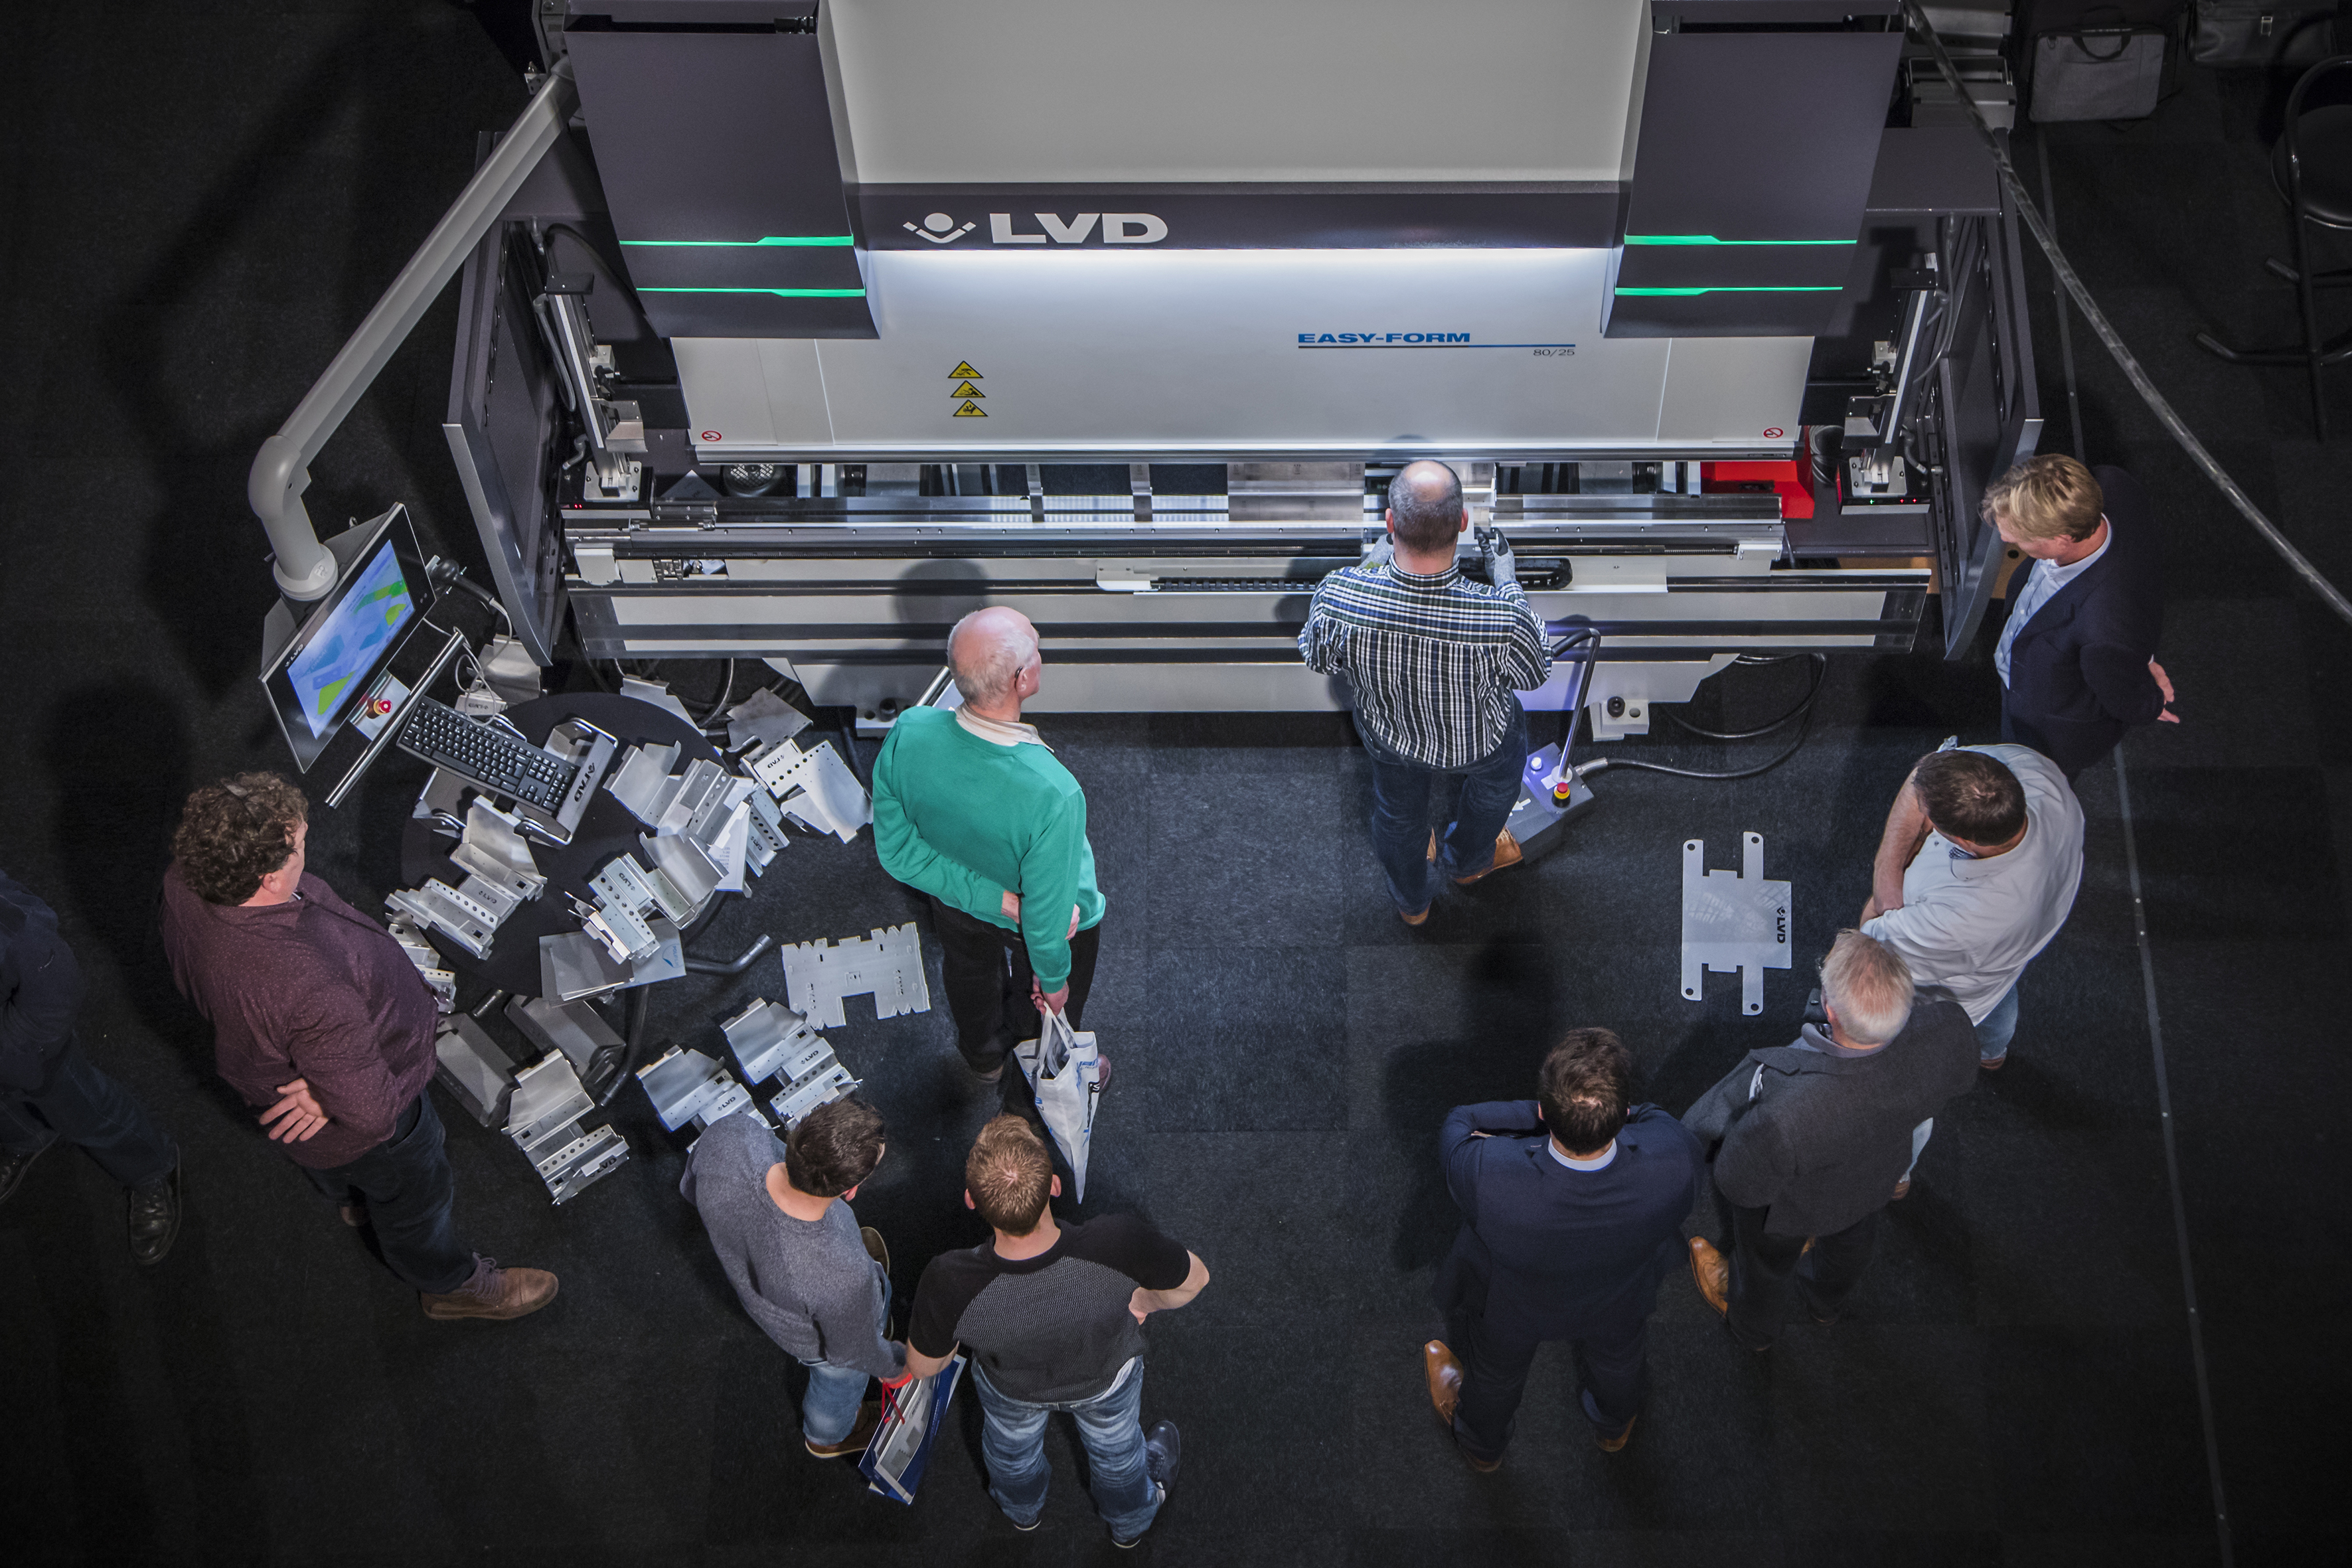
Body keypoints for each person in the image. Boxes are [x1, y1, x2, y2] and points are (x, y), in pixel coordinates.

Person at [158, 773, 556, 1321]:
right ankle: (451, 1287)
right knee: (416, 1200)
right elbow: (372, 1115)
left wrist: (326, 1085)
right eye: (300, 842)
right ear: (269, 878)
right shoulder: (309, 988)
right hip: (369, 1122)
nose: (307, 845)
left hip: (282, 1100)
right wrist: (334, 1092)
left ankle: (353, 1201)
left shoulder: (184, 879)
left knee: (335, 1162)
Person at [903, 1115, 1206, 1547]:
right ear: (1055, 1187)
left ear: (971, 1200)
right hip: (1105, 1379)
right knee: (1118, 1455)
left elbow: (924, 1366)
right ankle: (1130, 1526)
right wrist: (1143, 1301)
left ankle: (1022, 1513)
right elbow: (1195, 1280)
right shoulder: (1116, 1241)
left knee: (1011, 1456)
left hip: (1012, 1389)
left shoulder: (948, 1279)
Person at [1421, 1029, 1703, 1468]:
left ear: (1543, 1111)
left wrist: (1545, 1113)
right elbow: (1651, 1115)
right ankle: (1614, 1426)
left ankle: (1482, 1449)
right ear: (1621, 1112)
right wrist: (1594, 1112)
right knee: (1620, 1361)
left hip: (1514, 1307)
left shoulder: (1486, 1174)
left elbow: (1460, 1121)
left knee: (1495, 1377)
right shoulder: (1675, 1157)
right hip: (1618, 1295)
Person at [1682, 931, 1978, 1350]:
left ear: (1830, 1010)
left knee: (1764, 1265)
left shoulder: (1784, 1113)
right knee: (1852, 1239)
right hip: (1877, 1178)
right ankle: (1826, 1304)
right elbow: (1961, 1080)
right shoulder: (1949, 1030)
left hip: (1795, 1208)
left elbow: (1737, 1183)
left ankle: (1754, 1331)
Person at [1298, 459, 1550, 925]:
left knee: (1397, 816)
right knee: (1495, 790)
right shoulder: (1501, 618)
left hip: (1391, 738)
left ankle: (1413, 904)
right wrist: (1507, 581)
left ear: (1390, 523)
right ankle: (1468, 863)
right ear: (1462, 522)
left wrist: (1370, 565)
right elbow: (1534, 672)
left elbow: (1318, 658)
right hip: (1481, 741)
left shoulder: (1338, 597)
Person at [871, 607, 1106, 1085]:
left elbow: (897, 853)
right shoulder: (1053, 793)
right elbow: (1048, 918)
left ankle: (983, 1060)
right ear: (1023, 680)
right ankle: (1037, 1076)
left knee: (969, 973)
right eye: (1036, 648)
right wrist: (1053, 982)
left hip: (955, 901)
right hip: (1045, 923)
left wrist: (989, 899)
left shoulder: (909, 732)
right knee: (1043, 1004)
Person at [680, 1099, 906, 1458]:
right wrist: (893, 1365)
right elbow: (849, 1352)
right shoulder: (840, 1275)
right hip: (816, 1336)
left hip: (771, 1297)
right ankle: (828, 1437)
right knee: (840, 1379)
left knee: (856, 1290)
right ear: (850, 1190)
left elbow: (690, 1187)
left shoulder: (732, 1134)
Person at [1859, 741, 2084, 1071]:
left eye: (1926, 813)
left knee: (1978, 1013)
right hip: (2008, 951)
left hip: (1957, 989)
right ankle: (1993, 1053)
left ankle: (1989, 1052)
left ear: (1963, 840)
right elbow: (1922, 775)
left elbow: (1871, 942)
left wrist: (1893, 879)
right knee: (2001, 988)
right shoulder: (2029, 769)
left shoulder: (1963, 920)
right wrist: (1890, 869)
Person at [1, 867, 181, 1265]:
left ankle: (149, 1168)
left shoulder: (10, 922)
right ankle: (25, 1138)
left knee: (84, 1109)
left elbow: (53, 986)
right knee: (7, 1115)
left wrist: (13, 1053)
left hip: (26, 1052)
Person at [1986, 454, 2176, 782]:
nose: (2006, 540)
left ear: (2062, 538)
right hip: (2039, 665)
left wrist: (2151, 698)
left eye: (2019, 537)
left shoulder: (2101, 629)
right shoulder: (2111, 482)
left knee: (2029, 785)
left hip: (2044, 729)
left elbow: (2128, 701)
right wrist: (2140, 656)